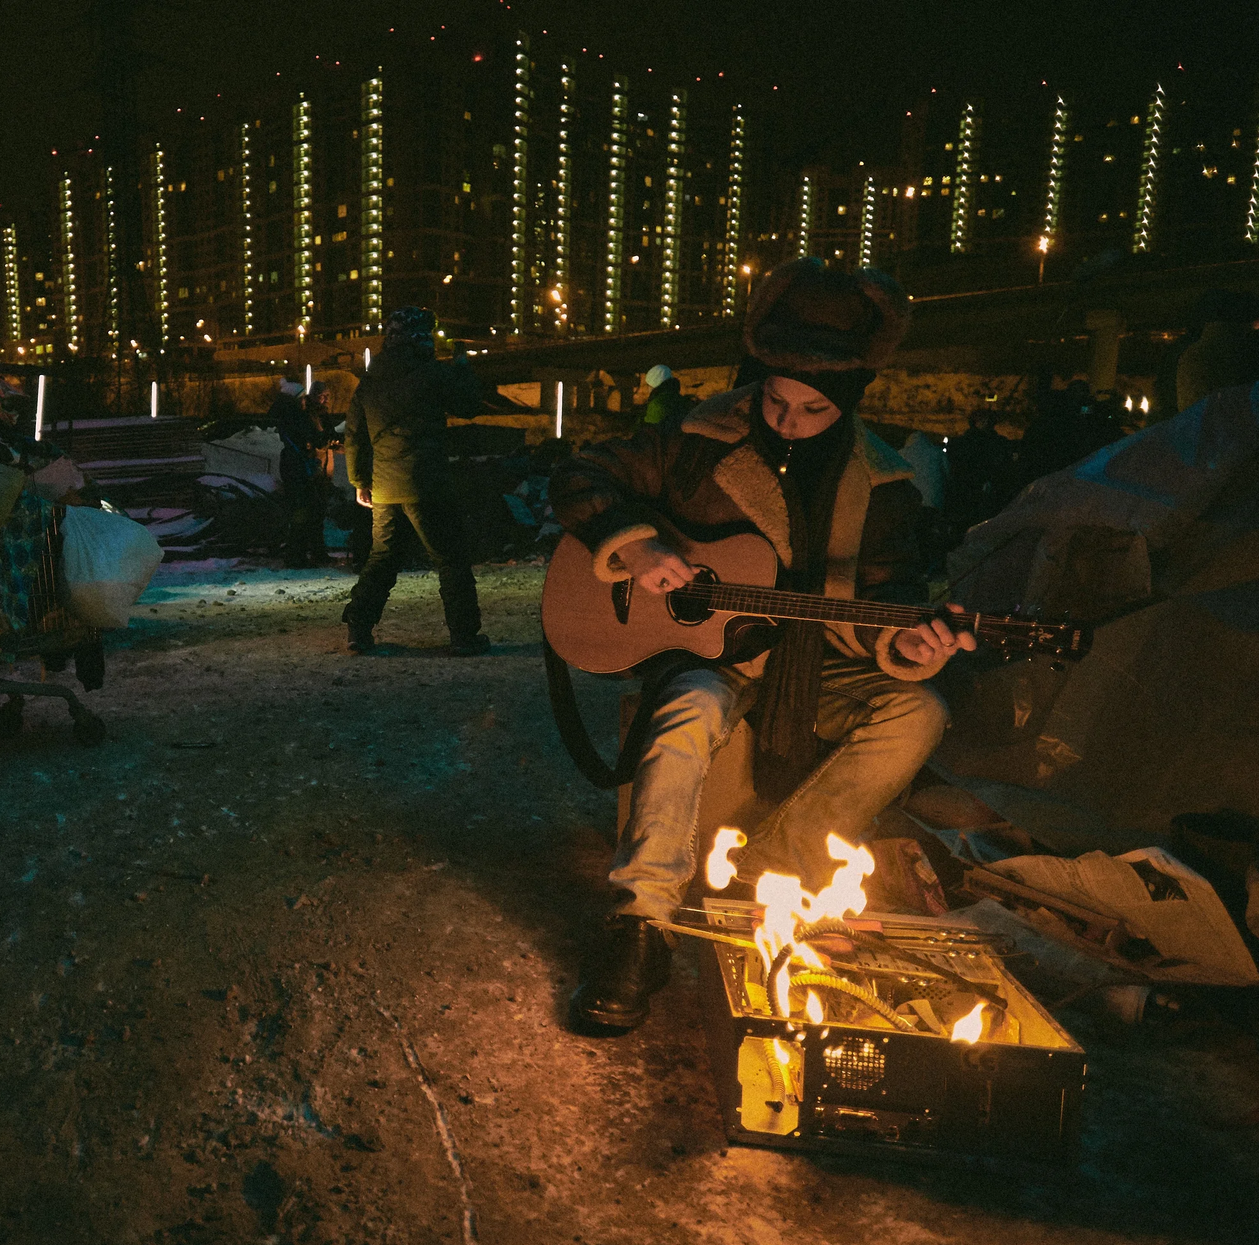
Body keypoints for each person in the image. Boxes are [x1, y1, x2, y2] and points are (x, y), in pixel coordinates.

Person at [550, 258, 977, 1034]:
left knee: (919, 711)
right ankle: (641, 922)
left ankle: (775, 866)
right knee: (682, 718)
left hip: (821, 663)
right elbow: (582, 476)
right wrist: (637, 545)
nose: (787, 420)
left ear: (846, 402)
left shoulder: (885, 485)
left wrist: (910, 646)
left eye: (813, 409)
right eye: (775, 400)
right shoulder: (694, 440)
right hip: (714, 657)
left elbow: (888, 598)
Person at [342, 307, 490, 655]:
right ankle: (464, 636)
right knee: (450, 559)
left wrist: (360, 480)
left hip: (385, 487)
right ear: (421, 338)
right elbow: (469, 404)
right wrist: (462, 367)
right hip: (428, 484)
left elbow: (354, 435)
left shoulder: (369, 381)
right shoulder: (432, 373)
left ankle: (358, 628)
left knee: (382, 558)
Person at [270, 375, 331, 568]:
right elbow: (312, 438)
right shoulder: (297, 417)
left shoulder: (288, 416)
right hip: (299, 468)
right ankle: (297, 556)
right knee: (302, 511)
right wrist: (322, 441)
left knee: (300, 512)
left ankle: (298, 554)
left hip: (293, 466)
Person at [640, 364, 694, 428]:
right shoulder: (681, 400)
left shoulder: (657, 405)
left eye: (648, 385)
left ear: (653, 385)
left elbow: (648, 427)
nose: (647, 389)